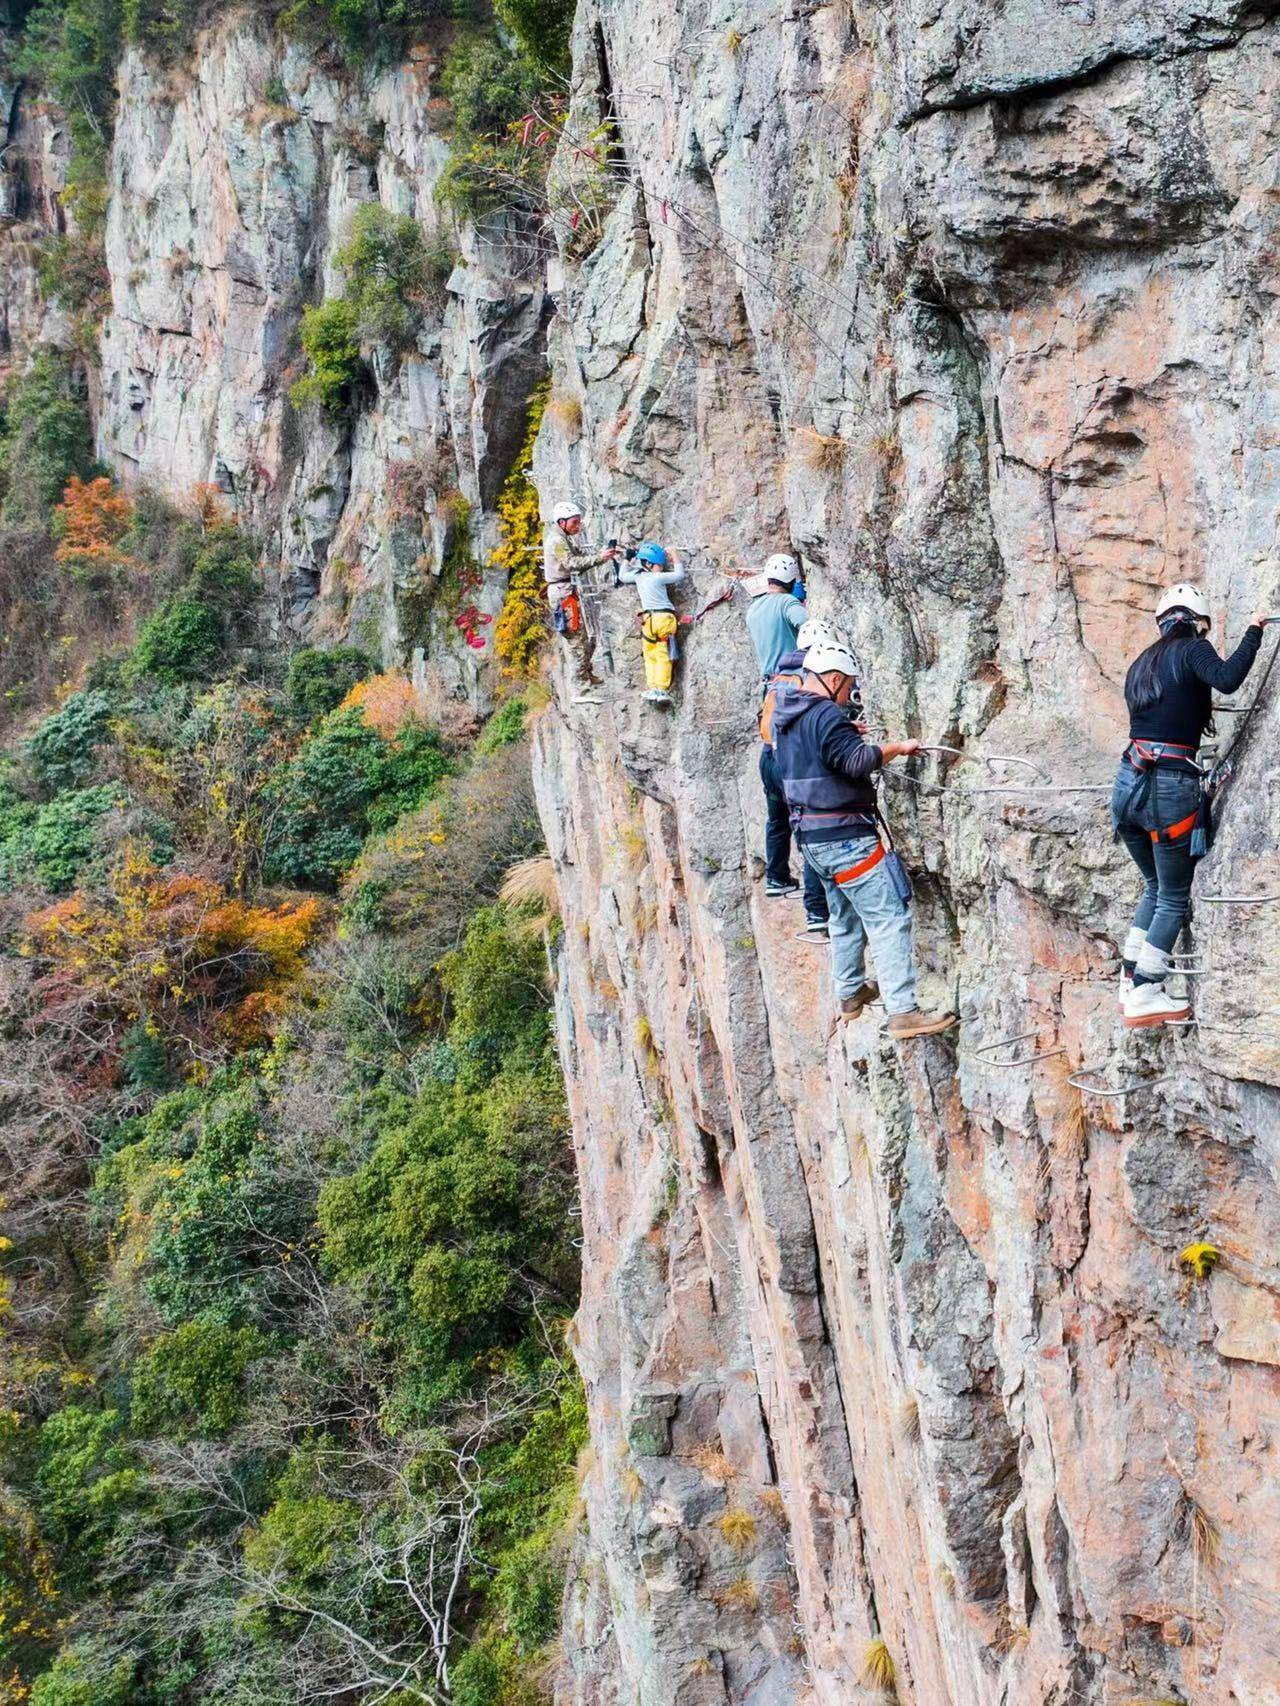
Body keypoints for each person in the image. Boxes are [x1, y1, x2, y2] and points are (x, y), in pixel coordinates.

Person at [771, 640, 956, 1036]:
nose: (847, 693)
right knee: (888, 917)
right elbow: (856, 762)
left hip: (811, 839)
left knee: (843, 915)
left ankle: (851, 991)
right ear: (834, 678)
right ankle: (903, 1011)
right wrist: (896, 748)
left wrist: (842, 732)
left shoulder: (787, 716)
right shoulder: (826, 716)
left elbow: (820, 751)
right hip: (846, 838)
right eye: (848, 685)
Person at [1113, 584, 1267, 1028]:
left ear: (1162, 621)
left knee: (1154, 886)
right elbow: (1227, 678)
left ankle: (1130, 978)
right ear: (1196, 621)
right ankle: (1146, 990)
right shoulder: (1192, 649)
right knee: (1174, 897)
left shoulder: (1142, 663)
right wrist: (1253, 632)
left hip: (1127, 783)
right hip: (1166, 786)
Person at [757, 616, 843, 925]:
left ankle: (776, 877)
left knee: (776, 820)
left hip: (767, 756)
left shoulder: (779, 673)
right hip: (788, 762)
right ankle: (817, 909)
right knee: (808, 829)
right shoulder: (814, 676)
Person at [618, 542, 686, 704]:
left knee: (650, 655)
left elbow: (622, 576)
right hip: (664, 619)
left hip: (648, 621)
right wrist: (675, 555)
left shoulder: (638, 576)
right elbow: (679, 575)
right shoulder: (657, 577)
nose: (661, 568)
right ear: (648, 564)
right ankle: (661, 689)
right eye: (659, 565)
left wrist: (627, 559)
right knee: (663, 654)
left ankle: (652, 687)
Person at [543, 500, 618, 638]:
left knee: (579, 638)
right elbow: (571, 563)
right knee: (576, 640)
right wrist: (599, 558)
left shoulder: (564, 538)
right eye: (574, 522)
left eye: (578, 522)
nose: (577, 526)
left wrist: (601, 554)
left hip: (566, 590)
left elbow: (581, 557)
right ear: (562, 523)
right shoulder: (557, 541)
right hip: (563, 592)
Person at [734, 553, 807, 681]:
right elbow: (808, 626)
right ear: (791, 581)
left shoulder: (753, 609)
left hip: (770, 684)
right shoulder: (787, 602)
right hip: (793, 681)